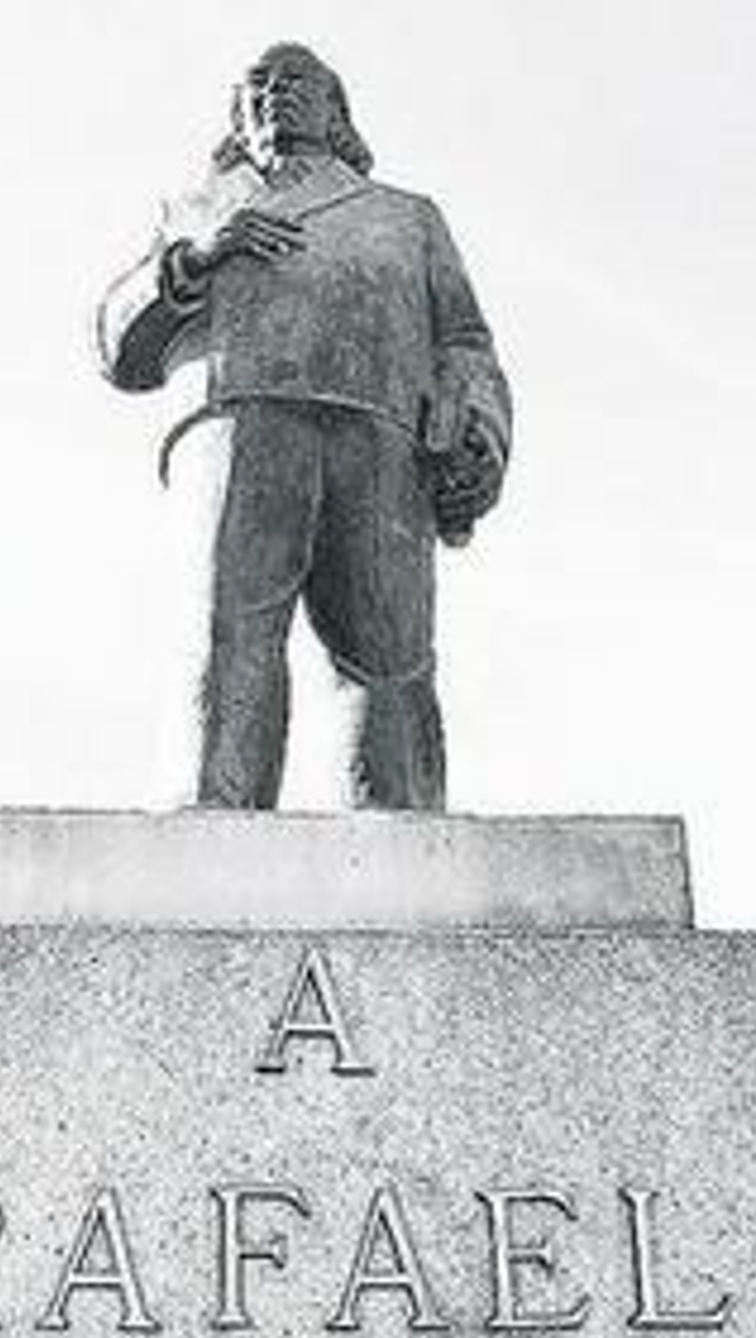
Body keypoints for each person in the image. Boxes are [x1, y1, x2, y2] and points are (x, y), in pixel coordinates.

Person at [97, 43, 512, 810]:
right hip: (238, 416)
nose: (273, 96)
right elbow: (119, 347)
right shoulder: (196, 210)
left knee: (389, 655)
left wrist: (479, 431)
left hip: (381, 429)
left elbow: (464, 343)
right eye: (255, 86)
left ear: (335, 110)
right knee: (230, 635)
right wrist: (195, 261)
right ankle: (214, 825)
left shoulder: (404, 216)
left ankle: (403, 839)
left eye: (295, 82)